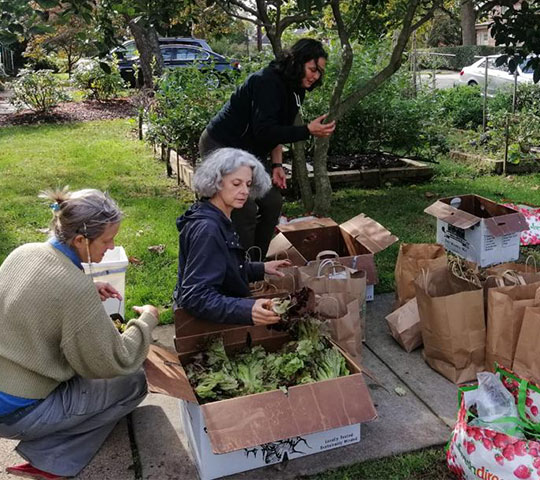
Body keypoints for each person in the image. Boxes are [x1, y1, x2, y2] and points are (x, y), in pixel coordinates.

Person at [0, 188, 159, 480]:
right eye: (107, 240)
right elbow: (115, 361)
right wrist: (147, 321)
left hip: (6, 389)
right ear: (80, 240)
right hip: (15, 415)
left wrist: (86, 285)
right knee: (133, 382)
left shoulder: (24, 252)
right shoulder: (75, 289)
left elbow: (35, 297)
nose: (111, 247)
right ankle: (52, 460)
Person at [199, 38, 336, 258]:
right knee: (245, 210)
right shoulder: (266, 82)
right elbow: (265, 130)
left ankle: (257, 263)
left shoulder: (296, 89)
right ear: (297, 61)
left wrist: (277, 164)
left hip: (248, 153)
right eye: (312, 69)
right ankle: (241, 272)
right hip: (222, 145)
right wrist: (307, 131)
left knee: (272, 202)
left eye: (319, 72)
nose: (316, 76)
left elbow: (279, 128)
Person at [174, 147, 291, 325]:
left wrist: (261, 268)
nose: (245, 191)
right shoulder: (208, 229)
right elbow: (195, 296)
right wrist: (247, 310)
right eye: (236, 184)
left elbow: (222, 266)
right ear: (216, 182)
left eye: (248, 184)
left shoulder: (218, 216)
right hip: (208, 325)